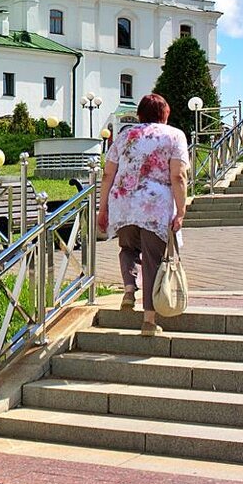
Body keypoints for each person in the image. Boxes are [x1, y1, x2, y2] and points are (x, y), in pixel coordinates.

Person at [96, 93, 188, 336]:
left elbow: (107, 174)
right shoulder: (174, 136)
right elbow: (178, 176)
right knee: (152, 260)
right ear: (165, 114)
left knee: (127, 249)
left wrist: (102, 209)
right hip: (154, 207)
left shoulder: (125, 135)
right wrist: (181, 210)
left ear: (139, 114)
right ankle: (148, 321)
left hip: (123, 203)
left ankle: (128, 289)